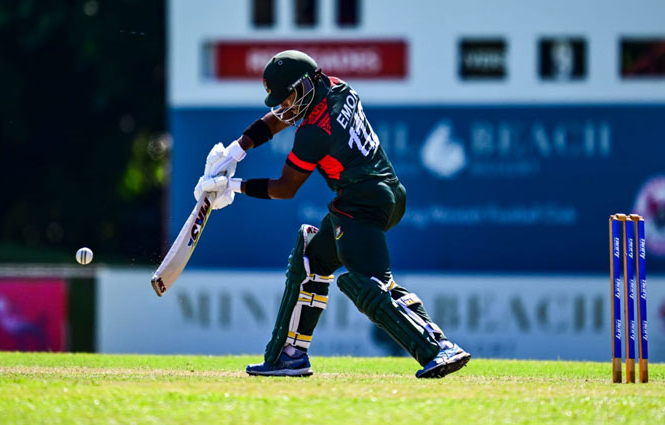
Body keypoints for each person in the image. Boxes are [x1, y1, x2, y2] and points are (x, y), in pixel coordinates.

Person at [194, 50, 471, 378]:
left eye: (288, 97)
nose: (284, 106)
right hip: (386, 193)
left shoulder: (314, 132)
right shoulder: (336, 86)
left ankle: (437, 347)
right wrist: (237, 149)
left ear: (305, 85)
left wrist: (233, 186)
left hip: (361, 205)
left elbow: (285, 188)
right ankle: (289, 356)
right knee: (312, 259)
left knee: (370, 286)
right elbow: (282, 115)